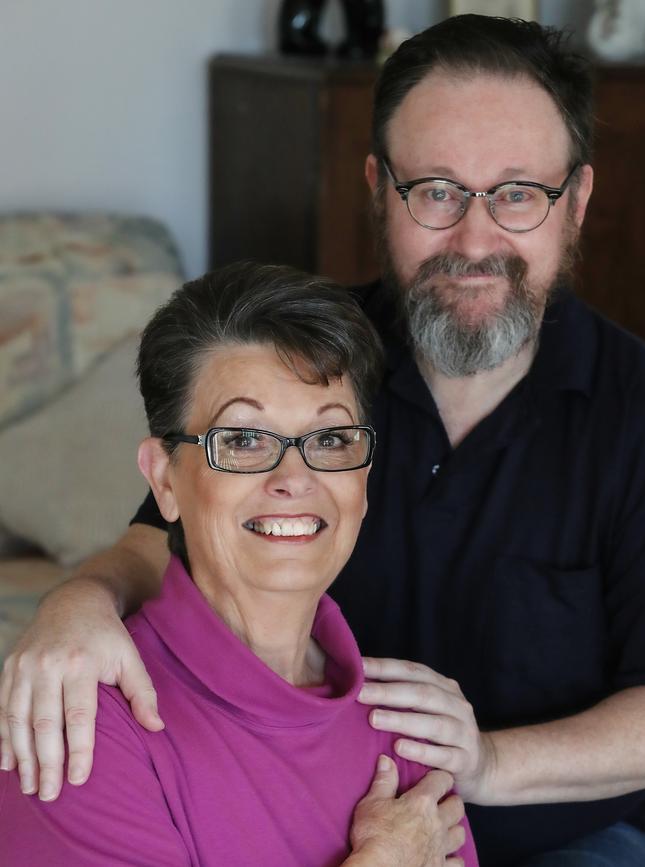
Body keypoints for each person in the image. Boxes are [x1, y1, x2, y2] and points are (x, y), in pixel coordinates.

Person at [1, 13, 645, 867]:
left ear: (579, 202)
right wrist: (75, 602)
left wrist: (484, 763)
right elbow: (168, 529)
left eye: (519, 192)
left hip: (563, 834)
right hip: (326, 812)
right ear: (379, 186)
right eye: (438, 190)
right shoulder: (313, 364)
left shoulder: (637, 409)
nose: (476, 238)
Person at [0, 262, 476, 866]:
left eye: (331, 439)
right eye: (245, 439)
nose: (294, 478)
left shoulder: (406, 723)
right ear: (164, 480)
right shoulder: (81, 726)